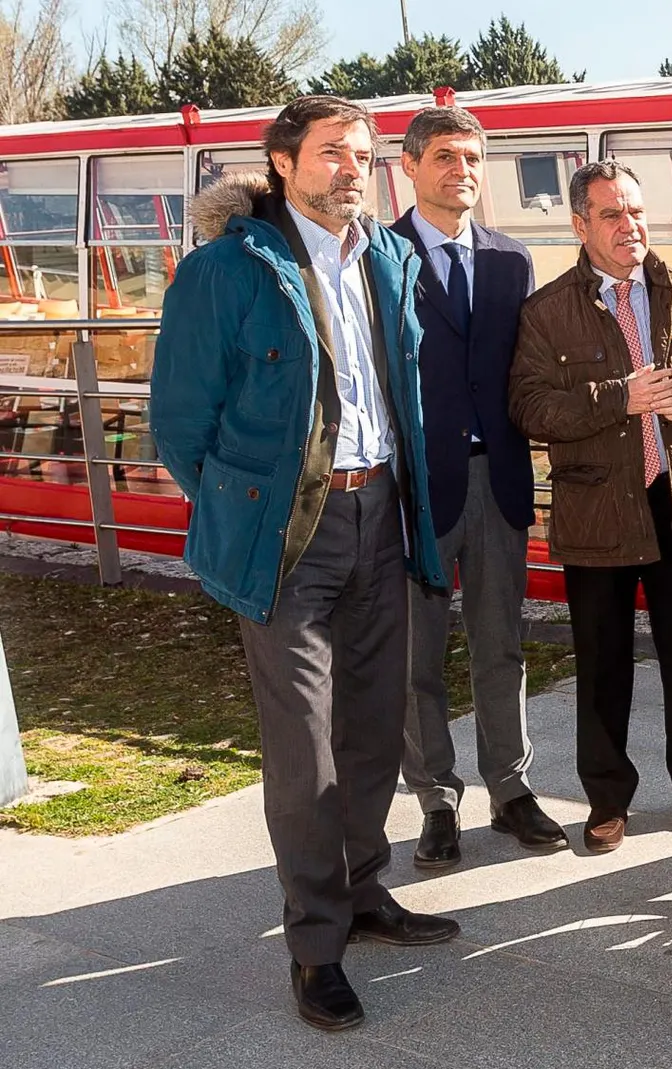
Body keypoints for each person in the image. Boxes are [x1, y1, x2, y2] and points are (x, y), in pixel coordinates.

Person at [152, 95, 460, 1032]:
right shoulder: (227, 269)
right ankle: (316, 945)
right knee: (306, 749)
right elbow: (180, 423)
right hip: (288, 534)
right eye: (333, 153)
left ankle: (365, 891)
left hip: (381, 515)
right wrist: (246, 510)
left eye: (364, 155)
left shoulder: (388, 258)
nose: (353, 169)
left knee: (374, 726)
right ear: (282, 162)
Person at [508, 160, 672, 853]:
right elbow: (528, 406)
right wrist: (620, 396)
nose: (629, 226)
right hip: (597, 510)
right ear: (580, 224)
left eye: (636, 212)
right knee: (603, 661)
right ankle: (607, 798)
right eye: (611, 214)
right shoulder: (546, 312)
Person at [390, 106, 566, 867]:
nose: (459, 169)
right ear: (410, 166)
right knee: (416, 657)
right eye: (443, 157)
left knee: (502, 644)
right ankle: (434, 795)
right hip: (415, 488)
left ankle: (510, 788)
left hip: (498, 478)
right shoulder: (377, 254)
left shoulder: (510, 260)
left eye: (471, 157)